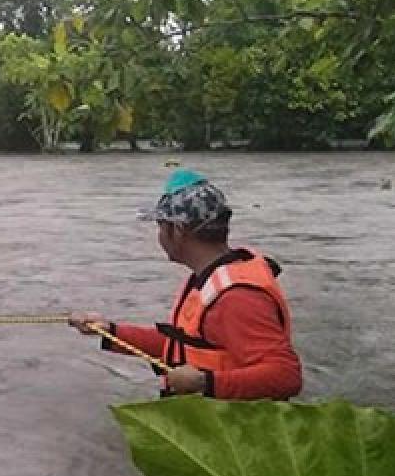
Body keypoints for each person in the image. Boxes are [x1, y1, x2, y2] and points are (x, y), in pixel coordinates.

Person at [69, 169, 302, 400]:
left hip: (230, 420)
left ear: (178, 230)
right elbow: (182, 345)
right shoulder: (209, 279)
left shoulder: (237, 298)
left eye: (161, 226)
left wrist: (205, 382)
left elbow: (285, 376)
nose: (159, 236)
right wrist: (109, 331)